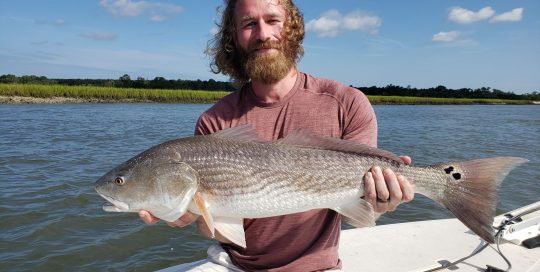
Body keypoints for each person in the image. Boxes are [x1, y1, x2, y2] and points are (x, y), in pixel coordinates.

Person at [140, 0, 414, 271]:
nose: (263, 34)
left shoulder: (347, 103)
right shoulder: (214, 120)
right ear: (233, 38)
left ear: (292, 28)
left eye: (272, 20)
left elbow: (366, 208)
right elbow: (219, 230)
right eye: (249, 24)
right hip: (232, 265)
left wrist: (382, 199)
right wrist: (185, 212)